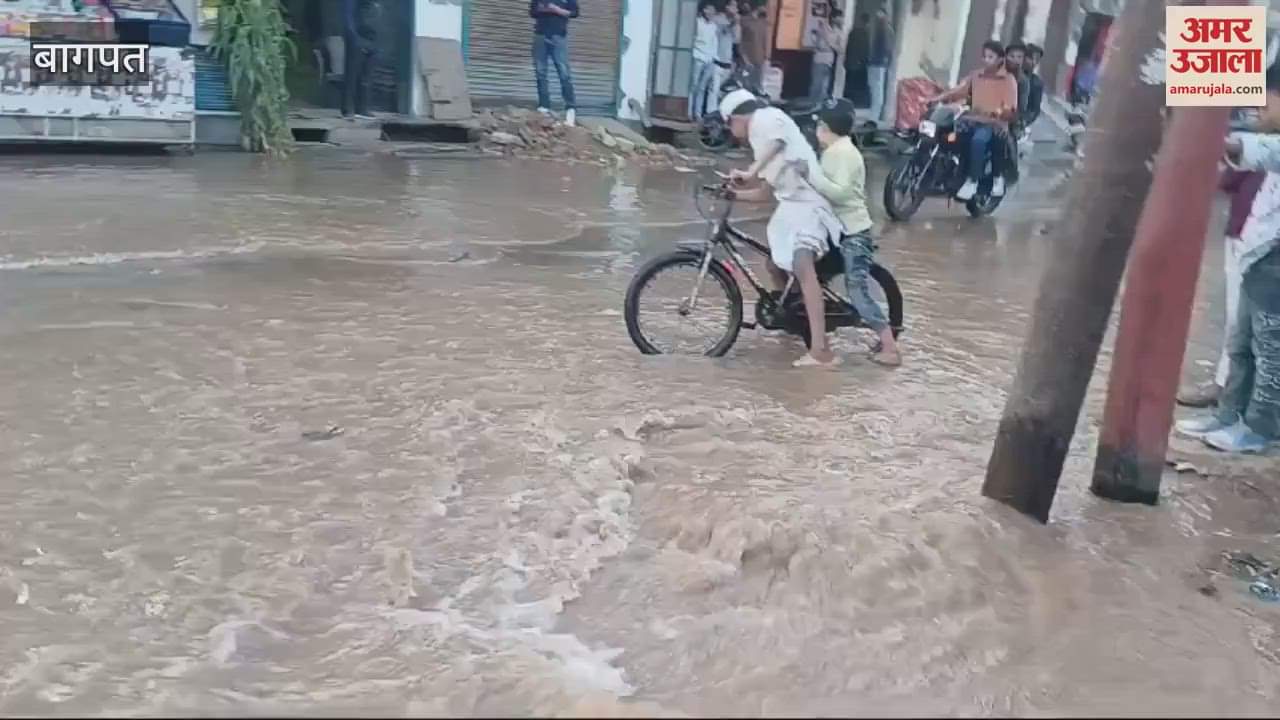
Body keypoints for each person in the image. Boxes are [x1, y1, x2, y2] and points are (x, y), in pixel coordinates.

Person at [1178, 66, 1280, 453]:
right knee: (1240, 345)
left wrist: (1217, 140)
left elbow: (1261, 151)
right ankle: (1228, 415)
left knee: (1269, 352)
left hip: (1274, 259)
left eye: (1266, 98)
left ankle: (1261, 429)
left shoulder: (1271, 144)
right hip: (1256, 254)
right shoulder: (1269, 135)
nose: (1257, 106)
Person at [721, 89, 846, 367]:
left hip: (812, 204)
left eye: (729, 123)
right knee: (774, 264)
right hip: (791, 207)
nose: (731, 130)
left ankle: (821, 351)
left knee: (802, 264)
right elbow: (765, 193)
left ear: (739, 117)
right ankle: (794, 320)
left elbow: (777, 143)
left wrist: (750, 172)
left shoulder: (767, 118)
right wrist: (733, 194)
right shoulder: (759, 142)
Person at [806, 108, 903, 366]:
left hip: (853, 233)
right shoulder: (834, 152)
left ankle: (890, 348)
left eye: (819, 126)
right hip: (835, 231)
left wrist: (811, 176)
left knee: (857, 289)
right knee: (811, 277)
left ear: (826, 128)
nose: (816, 132)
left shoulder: (845, 154)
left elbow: (840, 194)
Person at [1177, 168, 1267, 409]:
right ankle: (1231, 387)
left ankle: (1236, 392)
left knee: (1247, 319)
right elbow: (1230, 179)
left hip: (1258, 234)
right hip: (1246, 228)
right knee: (1242, 318)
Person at [927, 40, 1018, 200]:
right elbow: (959, 91)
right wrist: (938, 98)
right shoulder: (976, 75)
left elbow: (1010, 106)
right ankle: (944, 171)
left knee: (978, 141)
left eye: (990, 56)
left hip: (994, 125)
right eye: (984, 56)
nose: (986, 60)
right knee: (947, 135)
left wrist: (997, 112)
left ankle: (973, 181)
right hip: (971, 120)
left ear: (999, 59)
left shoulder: (1008, 80)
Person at [530, 0, 580, 127]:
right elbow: (532, 11)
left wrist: (556, 10)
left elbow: (574, 13)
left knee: (564, 74)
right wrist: (545, 9)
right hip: (540, 35)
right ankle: (543, 106)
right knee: (540, 72)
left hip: (558, 36)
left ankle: (570, 109)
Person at [341, 0, 381, 120]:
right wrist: (355, 39)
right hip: (357, 39)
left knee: (367, 76)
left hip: (372, 39)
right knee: (352, 74)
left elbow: (377, 17)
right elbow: (348, 18)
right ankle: (348, 108)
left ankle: (363, 108)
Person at [691, 2, 721, 120]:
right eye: (710, 10)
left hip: (709, 59)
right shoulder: (697, 23)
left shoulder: (713, 26)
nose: (712, 13)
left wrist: (714, 58)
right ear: (705, 10)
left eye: (714, 10)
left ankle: (697, 114)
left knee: (702, 87)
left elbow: (714, 43)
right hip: (697, 56)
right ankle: (689, 112)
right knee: (693, 86)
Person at [866, 7, 894, 126]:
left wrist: (886, 61)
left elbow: (888, 48)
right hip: (874, 63)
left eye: (881, 16)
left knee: (877, 92)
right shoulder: (876, 29)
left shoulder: (886, 30)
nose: (879, 18)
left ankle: (874, 118)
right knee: (874, 90)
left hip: (879, 64)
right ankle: (873, 117)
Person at [809, 9, 843, 100]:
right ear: (833, 18)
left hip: (829, 61)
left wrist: (832, 45)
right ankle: (811, 105)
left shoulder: (838, 31)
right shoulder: (822, 27)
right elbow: (816, 42)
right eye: (839, 17)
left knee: (824, 86)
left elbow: (840, 48)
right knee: (816, 85)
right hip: (819, 59)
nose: (841, 20)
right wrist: (830, 45)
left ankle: (820, 107)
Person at [738, 1, 770, 93]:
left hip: (760, 60)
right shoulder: (745, 21)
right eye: (765, 6)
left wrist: (766, 58)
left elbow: (764, 41)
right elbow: (741, 41)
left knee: (757, 86)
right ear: (758, 7)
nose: (766, 8)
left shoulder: (763, 23)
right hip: (748, 60)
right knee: (746, 86)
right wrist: (745, 58)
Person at [843, 12, 871, 106]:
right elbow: (865, 50)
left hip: (850, 63)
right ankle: (853, 104)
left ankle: (845, 103)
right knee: (856, 87)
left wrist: (846, 60)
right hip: (859, 64)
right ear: (867, 23)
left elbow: (848, 47)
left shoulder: (853, 32)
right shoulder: (865, 34)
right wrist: (865, 62)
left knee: (848, 85)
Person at [1005, 41, 1029, 138]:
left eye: (1019, 57)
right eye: (1012, 56)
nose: (1015, 60)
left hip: (1011, 122)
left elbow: (1021, 106)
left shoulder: (1023, 81)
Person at [1023, 43, 1045, 131]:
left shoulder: (1037, 83)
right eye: (1032, 58)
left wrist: (1023, 122)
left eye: (1037, 60)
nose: (1034, 62)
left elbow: (1034, 110)